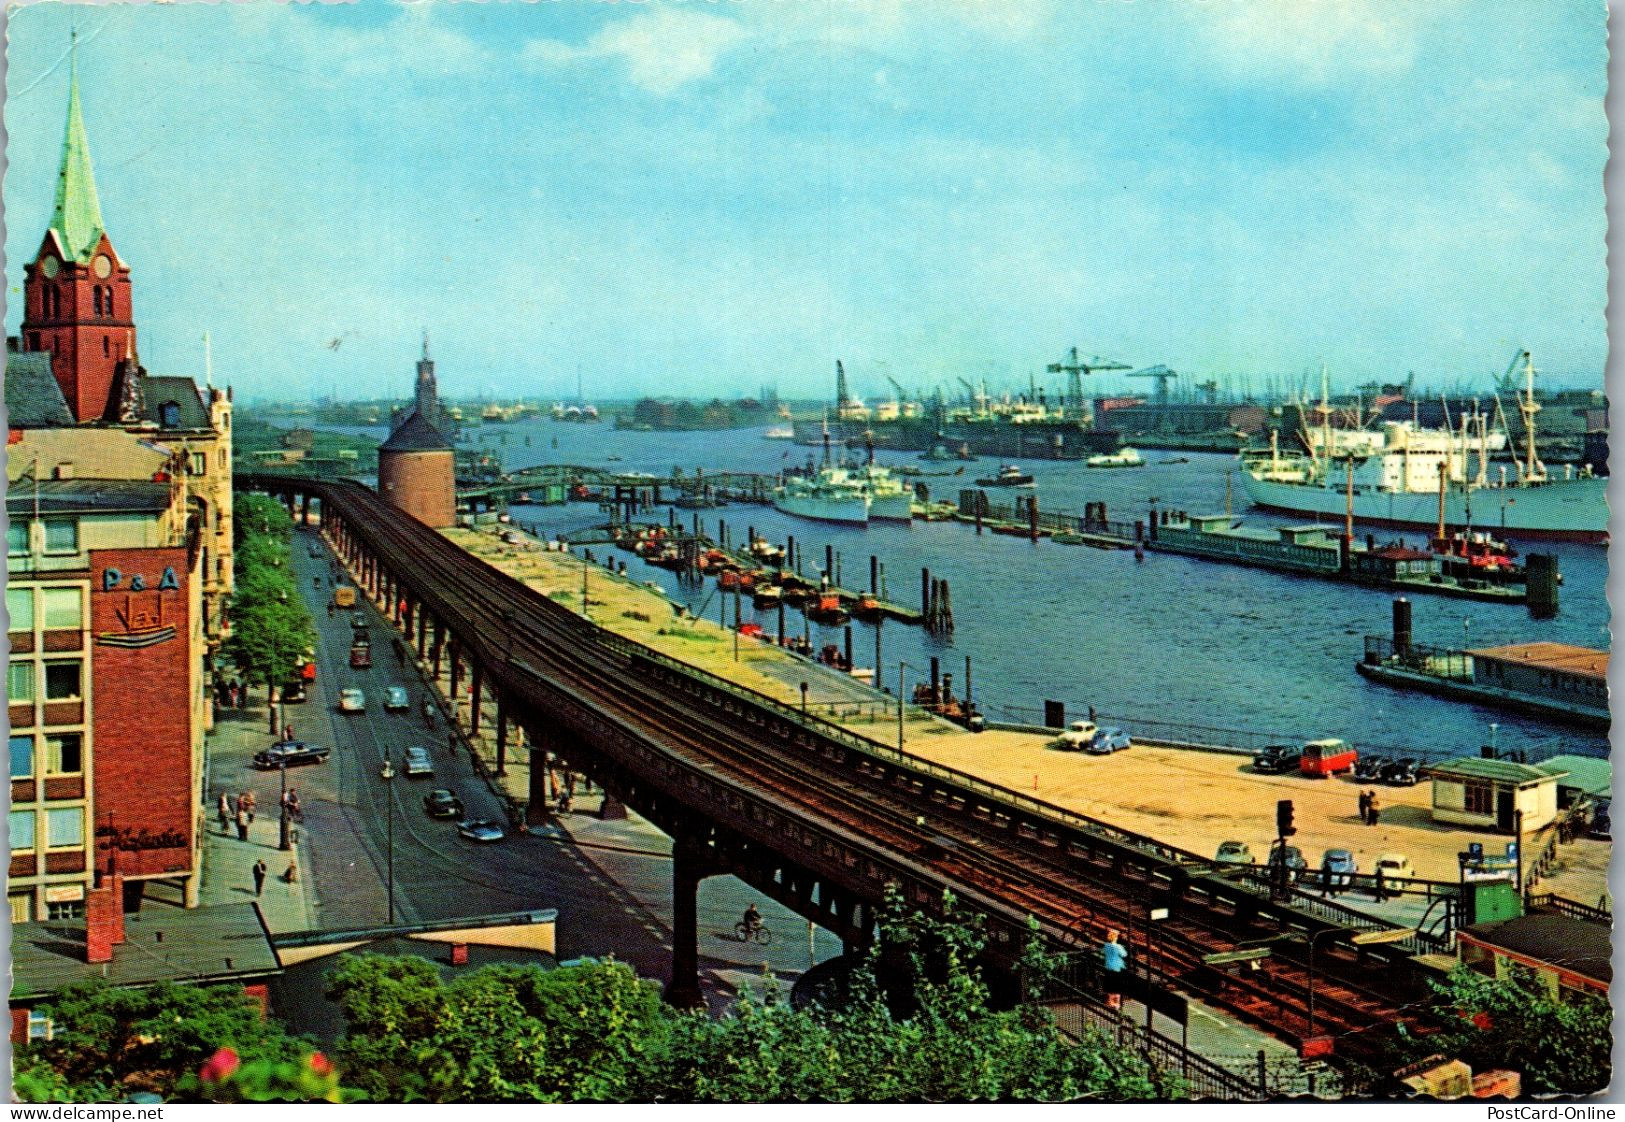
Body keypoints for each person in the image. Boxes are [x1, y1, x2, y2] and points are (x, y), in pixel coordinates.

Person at [1102, 929, 1128, 1010]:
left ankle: (1109, 1002)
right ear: (1115, 937)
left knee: (1110, 985)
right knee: (1117, 985)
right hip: (1117, 968)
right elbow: (1124, 954)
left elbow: (1104, 952)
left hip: (1108, 967)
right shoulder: (1118, 947)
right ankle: (1116, 1003)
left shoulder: (1106, 945)